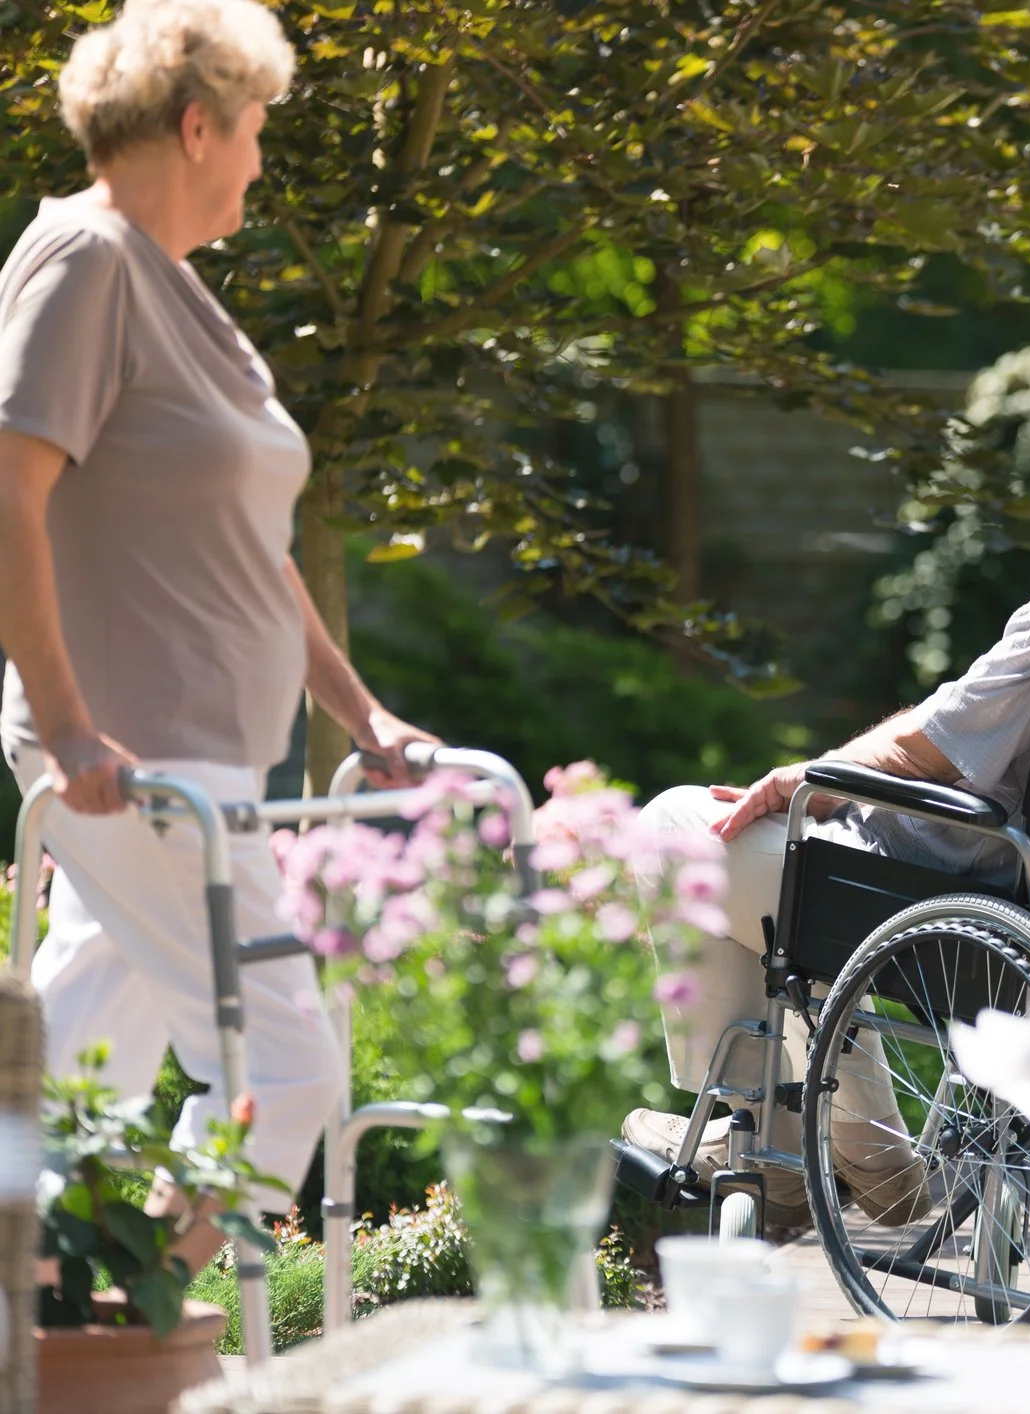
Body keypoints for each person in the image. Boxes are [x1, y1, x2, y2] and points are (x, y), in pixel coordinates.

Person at [618, 348, 1030, 1230]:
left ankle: (777, 1141)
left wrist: (800, 781)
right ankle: (822, 1142)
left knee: (678, 825)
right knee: (758, 859)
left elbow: (931, 745)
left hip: (966, 908)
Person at [0, 0, 437, 1271]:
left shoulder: (175, 287)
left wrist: (363, 714)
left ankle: (40, 1323)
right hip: (134, 766)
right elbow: (10, 494)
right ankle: (132, 1326)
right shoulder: (84, 263)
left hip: (199, 763)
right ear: (197, 126)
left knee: (69, 1079)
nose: (258, 162)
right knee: (294, 1067)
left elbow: (249, 549)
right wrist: (70, 721)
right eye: (252, 132)